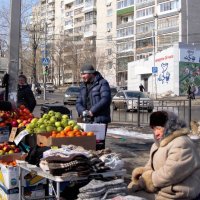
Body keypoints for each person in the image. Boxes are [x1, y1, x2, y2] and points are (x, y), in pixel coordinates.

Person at [128, 110, 200, 200]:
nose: (156, 133)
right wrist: (140, 176)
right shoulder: (157, 144)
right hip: (162, 189)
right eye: (153, 128)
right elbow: (150, 166)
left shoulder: (182, 143)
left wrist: (146, 180)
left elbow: (170, 173)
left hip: (178, 193)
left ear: (169, 127)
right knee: (128, 193)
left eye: (159, 128)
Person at [76, 64, 111, 150]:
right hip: (86, 120)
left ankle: (100, 162)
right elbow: (78, 102)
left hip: (99, 120)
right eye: (82, 74)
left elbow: (106, 99)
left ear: (91, 74)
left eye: (84, 74)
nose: (82, 76)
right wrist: (83, 111)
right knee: (86, 145)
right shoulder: (83, 86)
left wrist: (92, 111)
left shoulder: (102, 83)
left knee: (98, 145)